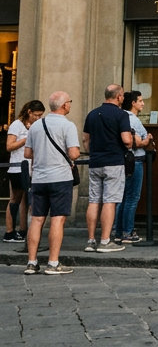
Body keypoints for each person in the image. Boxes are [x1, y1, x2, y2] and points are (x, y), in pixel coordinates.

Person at [24, 92, 79, 275]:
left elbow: (27, 154)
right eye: (69, 102)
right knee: (57, 219)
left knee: (37, 220)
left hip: (39, 178)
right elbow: (73, 154)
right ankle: (53, 263)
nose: (70, 104)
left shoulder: (36, 126)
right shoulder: (68, 126)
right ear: (64, 106)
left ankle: (31, 262)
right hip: (60, 178)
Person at [82, 83, 132, 253]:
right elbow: (126, 140)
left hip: (95, 162)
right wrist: (130, 142)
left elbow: (85, 140)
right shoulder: (121, 114)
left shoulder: (92, 114)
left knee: (94, 200)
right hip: (113, 162)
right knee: (110, 201)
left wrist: (93, 153)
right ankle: (105, 241)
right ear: (118, 96)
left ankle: (90, 241)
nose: (123, 98)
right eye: (123, 95)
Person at [115, 90, 152, 243]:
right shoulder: (133, 120)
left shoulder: (120, 117)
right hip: (134, 160)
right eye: (141, 100)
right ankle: (127, 232)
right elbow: (137, 142)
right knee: (132, 197)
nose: (143, 103)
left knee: (122, 197)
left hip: (122, 160)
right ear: (133, 103)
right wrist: (148, 139)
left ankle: (118, 231)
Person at [5, 100, 43, 243]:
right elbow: (9, 146)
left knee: (28, 200)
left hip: (32, 167)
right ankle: (9, 231)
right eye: (36, 115)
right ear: (29, 112)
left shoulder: (37, 125)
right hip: (18, 167)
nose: (38, 118)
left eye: (41, 115)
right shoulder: (17, 125)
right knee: (15, 198)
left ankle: (23, 230)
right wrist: (27, 139)